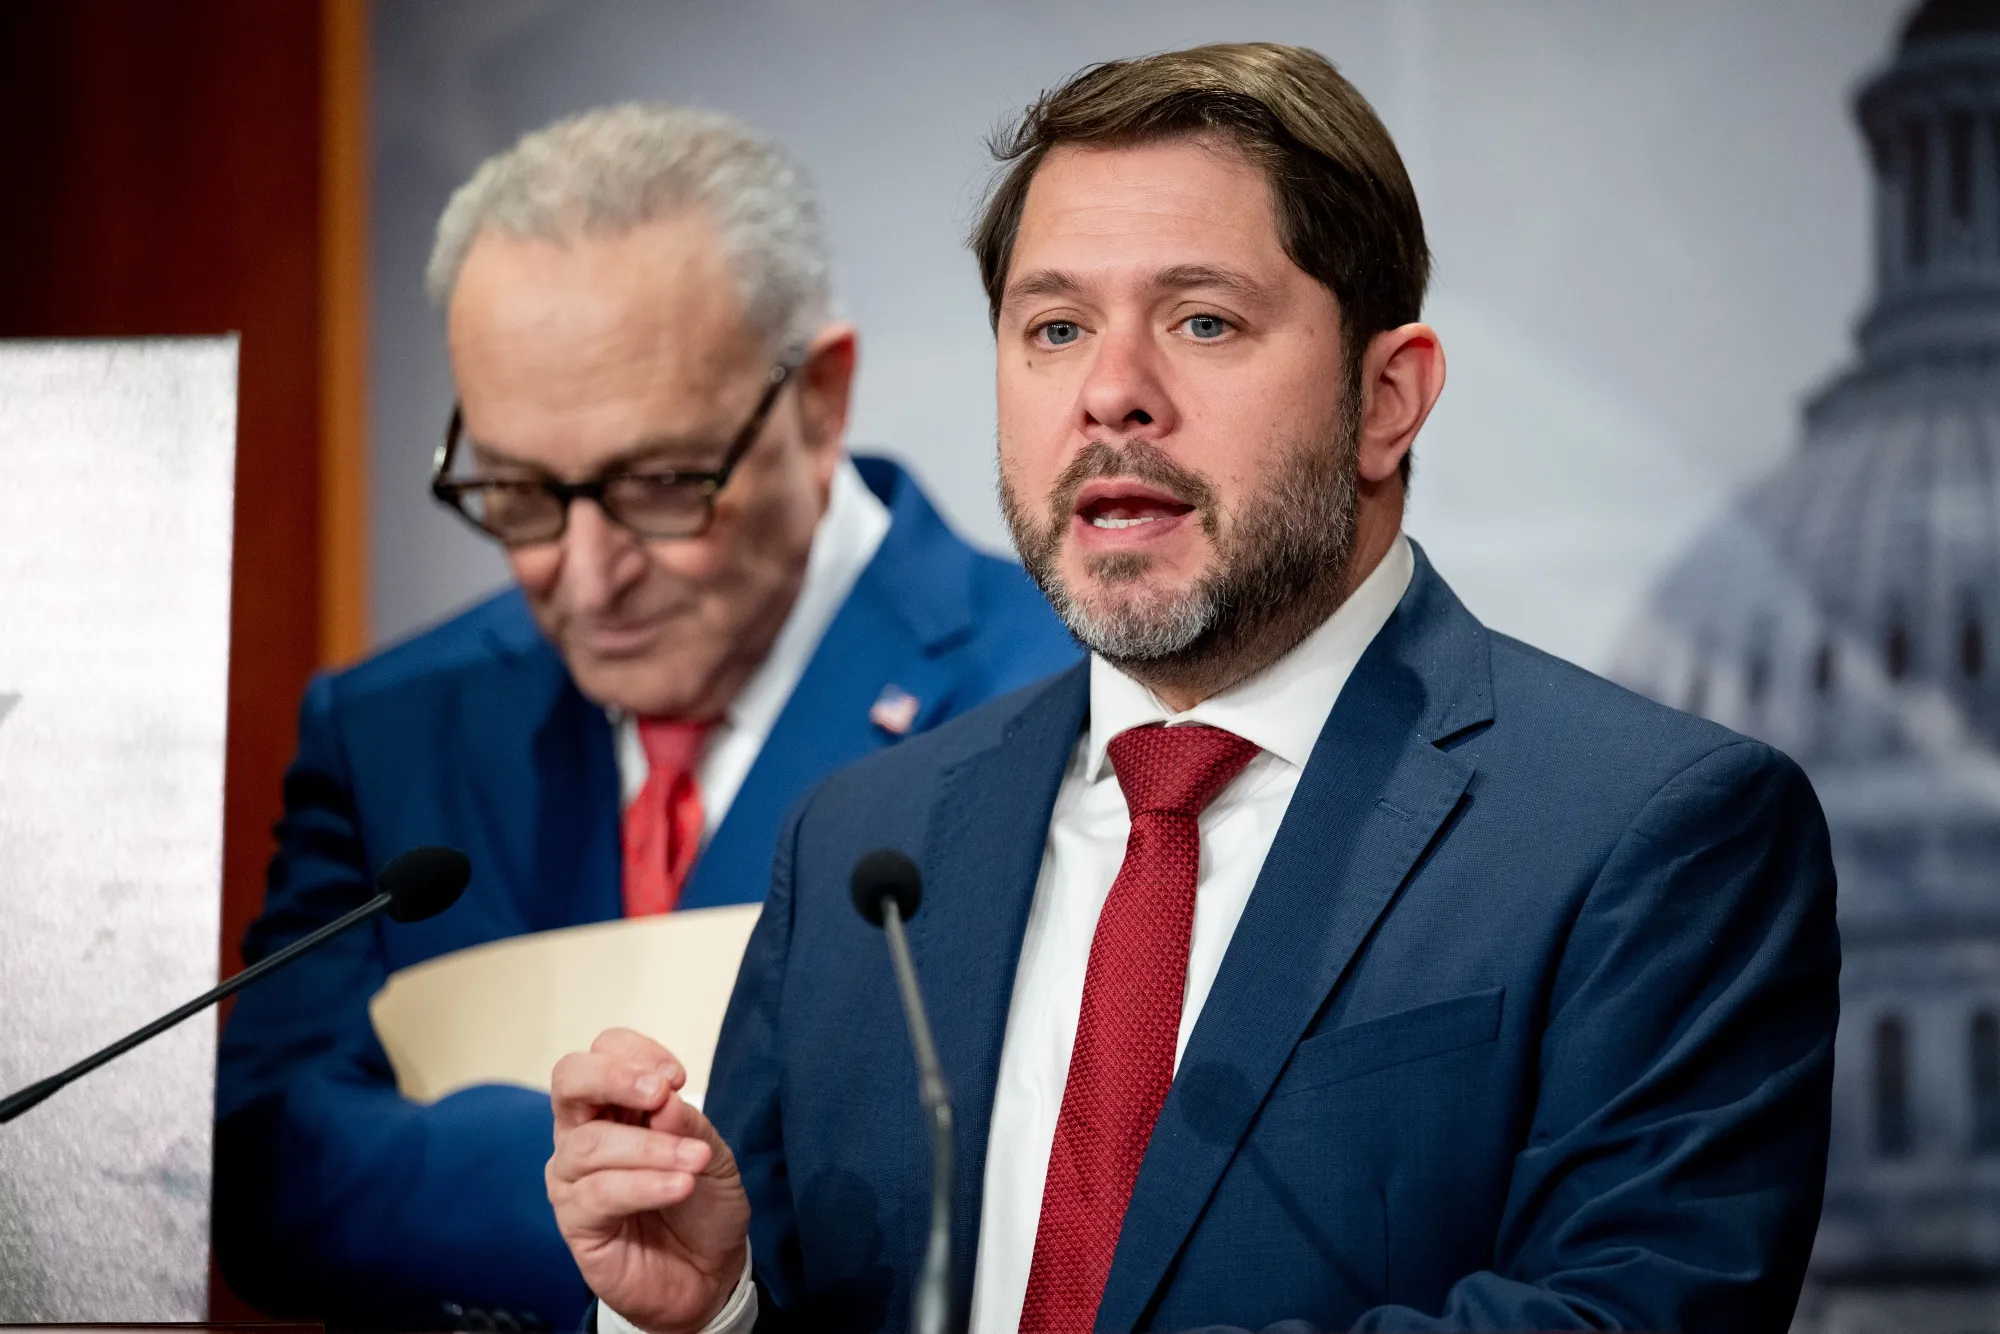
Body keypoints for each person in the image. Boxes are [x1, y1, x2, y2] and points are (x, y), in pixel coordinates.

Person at [544, 43, 1842, 1334]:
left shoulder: (1655, 829)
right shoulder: (859, 845)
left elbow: (1626, 1311)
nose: (1113, 392)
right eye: (1054, 327)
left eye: (1203, 319)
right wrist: (707, 1312)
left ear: (1389, 398)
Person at [211, 105, 1079, 1329]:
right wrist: (633, 1183)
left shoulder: (1058, 697)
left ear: (820, 401)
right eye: (513, 490)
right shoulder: (393, 721)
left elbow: (1013, 1200)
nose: (583, 572)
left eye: (660, 484)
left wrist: (453, 1143)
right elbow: (265, 1171)